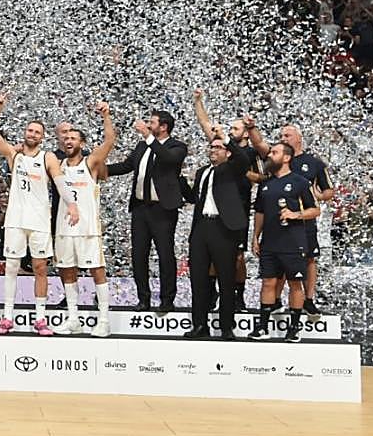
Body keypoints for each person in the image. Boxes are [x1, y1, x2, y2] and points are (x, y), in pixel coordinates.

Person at [0, 91, 77, 336]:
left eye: (37, 132)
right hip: (16, 219)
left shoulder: (47, 157)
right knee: (11, 267)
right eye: (30, 131)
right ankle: (7, 317)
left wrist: (72, 204)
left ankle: (40, 318)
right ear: (24, 133)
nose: (32, 134)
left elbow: (59, 182)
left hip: (39, 220)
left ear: (42, 137)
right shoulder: (13, 155)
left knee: (39, 267)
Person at [105, 110, 189, 312]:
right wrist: (99, 168)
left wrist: (148, 136)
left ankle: (167, 300)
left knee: (165, 254)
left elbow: (167, 159)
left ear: (164, 127)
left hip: (163, 209)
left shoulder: (177, 147)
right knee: (138, 255)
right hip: (141, 208)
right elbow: (126, 166)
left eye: (152, 122)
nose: (148, 125)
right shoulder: (143, 146)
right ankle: (143, 298)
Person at [249, 124, 333, 320]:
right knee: (276, 265)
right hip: (275, 222)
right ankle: (276, 301)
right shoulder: (275, 159)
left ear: (299, 138)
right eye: (281, 135)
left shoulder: (314, 163)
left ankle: (309, 300)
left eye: (288, 135)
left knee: (309, 258)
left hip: (303, 221)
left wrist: (315, 196)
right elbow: (258, 142)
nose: (284, 138)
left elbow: (328, 190)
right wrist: (251, 127)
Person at [194, 91, 262, 310]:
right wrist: (198, 102)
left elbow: (262, 177)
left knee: (238, 255)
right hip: (219, 205)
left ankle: (238, 295)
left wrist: (242, 174)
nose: (231, 132)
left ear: (245, 133)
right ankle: (214, 294)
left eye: (235, 128)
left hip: (239, 204)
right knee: (214, 254)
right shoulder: (221, 148)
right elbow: (206, 125)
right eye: (229, 129)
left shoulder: (248, 154)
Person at [55, 102, 117, 337]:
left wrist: (106, 115)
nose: (68, 141)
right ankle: (73, 318)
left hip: (88, 228)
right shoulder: (57, 165)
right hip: (64, 227)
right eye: (66, 138)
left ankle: (103, 319)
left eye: (73, 138)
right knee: (67, 271)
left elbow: (109, 142)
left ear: (81, 143)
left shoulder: (90, 163)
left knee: (97, 271)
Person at [181, 130, 250, 340]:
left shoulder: (232, 170)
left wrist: (226, 138)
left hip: (224, 228)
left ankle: (226, 326)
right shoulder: (203, 172)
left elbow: (243, 159)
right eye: (211, 147)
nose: (213, 150)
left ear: (228, 153)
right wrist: (181, 181)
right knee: (199, 279)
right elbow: (195, 198)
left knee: (226, 279)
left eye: (218, 147)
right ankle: (200, 324)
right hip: (202, 226)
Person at [249, 142, 318, 343]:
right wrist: (255, 236)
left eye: (275, 152)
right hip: (270, 241)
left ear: (286, 157)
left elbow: (315, 210)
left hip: (293, 241)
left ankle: (294, 327)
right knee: (268, 282)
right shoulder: (265, 184)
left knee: (295, 284)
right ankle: (262, 327)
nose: (270, 155)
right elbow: (259, 212)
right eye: (271, 152)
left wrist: (296, 214)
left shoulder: (300, 182)